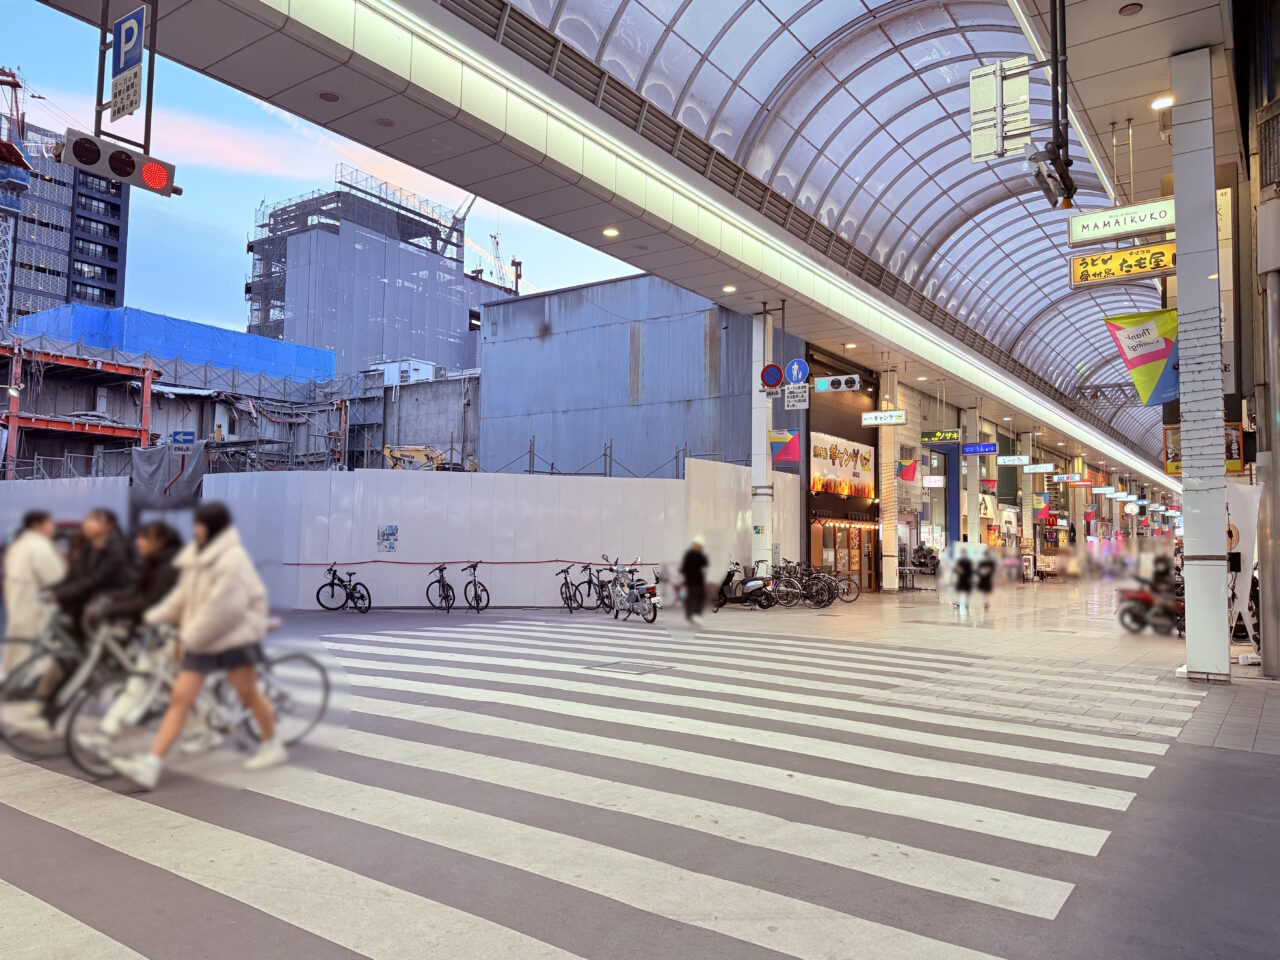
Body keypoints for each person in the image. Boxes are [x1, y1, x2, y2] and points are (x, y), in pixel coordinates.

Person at [111, 502, 284, 791]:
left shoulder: (233, 559)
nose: (196, 528)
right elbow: (182, 597)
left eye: (201, 523)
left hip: (233, 637)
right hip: (202, 638)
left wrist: (187, 637)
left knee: (249, 694)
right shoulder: (197, 555)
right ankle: (150, 766)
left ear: (213, 526)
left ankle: (272, 744)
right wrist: (152, 618)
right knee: (180, 699)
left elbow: (223, 610)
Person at [2, 511, 67, 678]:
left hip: (18, 601)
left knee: (19, 643)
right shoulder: (38, 545)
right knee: (36, 645)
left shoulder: (19, 544)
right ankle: (27, 681)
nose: (53, 526)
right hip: (35, 603)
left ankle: (14, 678)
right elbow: (56, 577)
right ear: (37, 525)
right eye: (49, 522)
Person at [86, 521, 183, 632]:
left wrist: (110, 609)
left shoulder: (169, 567)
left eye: (144, 538)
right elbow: (135, 591)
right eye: (138, 537)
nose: (138, 542)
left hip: (159, 626)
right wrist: (105, 597)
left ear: (160, 542)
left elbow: (150, 601)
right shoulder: (152, 562)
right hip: (148, 619)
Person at [51, 508, 133, 638]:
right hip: (86, 603)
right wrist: (52, 590)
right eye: (87, 519)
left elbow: (95, 580)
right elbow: (72, 577)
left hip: (107, 604)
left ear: (109, 525)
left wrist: (60, 594)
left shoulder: (117, 550)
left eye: (94, 520)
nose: (86, 524)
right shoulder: (86, 548)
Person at [679, 536, 709, 626]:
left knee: (696, 599)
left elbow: (683, 569)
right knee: (693, 599)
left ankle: (694, 615)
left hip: (695, 581)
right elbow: (705, 563)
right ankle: (692, 616)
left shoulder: (694, 555)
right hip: (693, 582)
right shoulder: (692, 555)